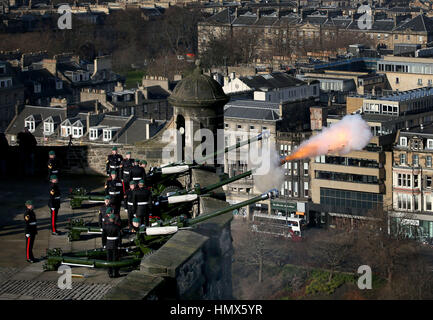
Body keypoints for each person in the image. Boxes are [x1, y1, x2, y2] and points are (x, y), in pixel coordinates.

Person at [103, 211, 122, 278]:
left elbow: (103, 236)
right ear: (114, 220)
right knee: (115, 259)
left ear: (109, 219)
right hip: (115, 244)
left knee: (109, 259)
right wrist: (119, 245)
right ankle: (115, 273)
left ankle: (110, 273)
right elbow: (119, 237)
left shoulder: (105, 227)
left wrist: (104, 244)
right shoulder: (117, 227)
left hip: (108, 243)